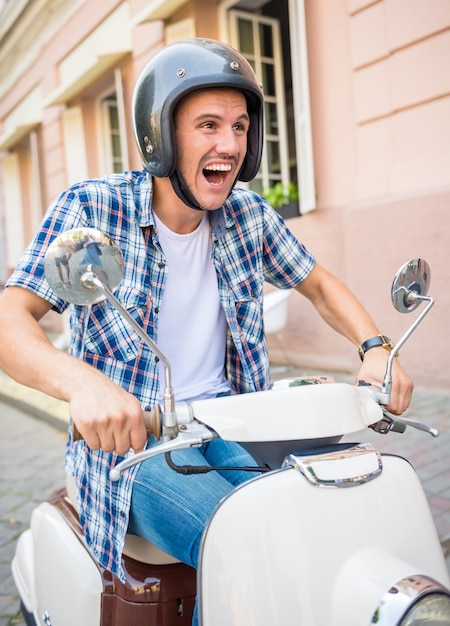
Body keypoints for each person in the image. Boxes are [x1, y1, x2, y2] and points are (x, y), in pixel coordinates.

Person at [0, 38, 413, 624]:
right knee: (247, 538)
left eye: (241, 127)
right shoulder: (94, 209)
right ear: (161, 135)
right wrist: (82, 386)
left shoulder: (246, 216)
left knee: (346, 510)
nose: (230, 144)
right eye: (209, 125)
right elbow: (10, 318)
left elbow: (318, 285)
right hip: (134, 450)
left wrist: (376, 349)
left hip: (239, 424)